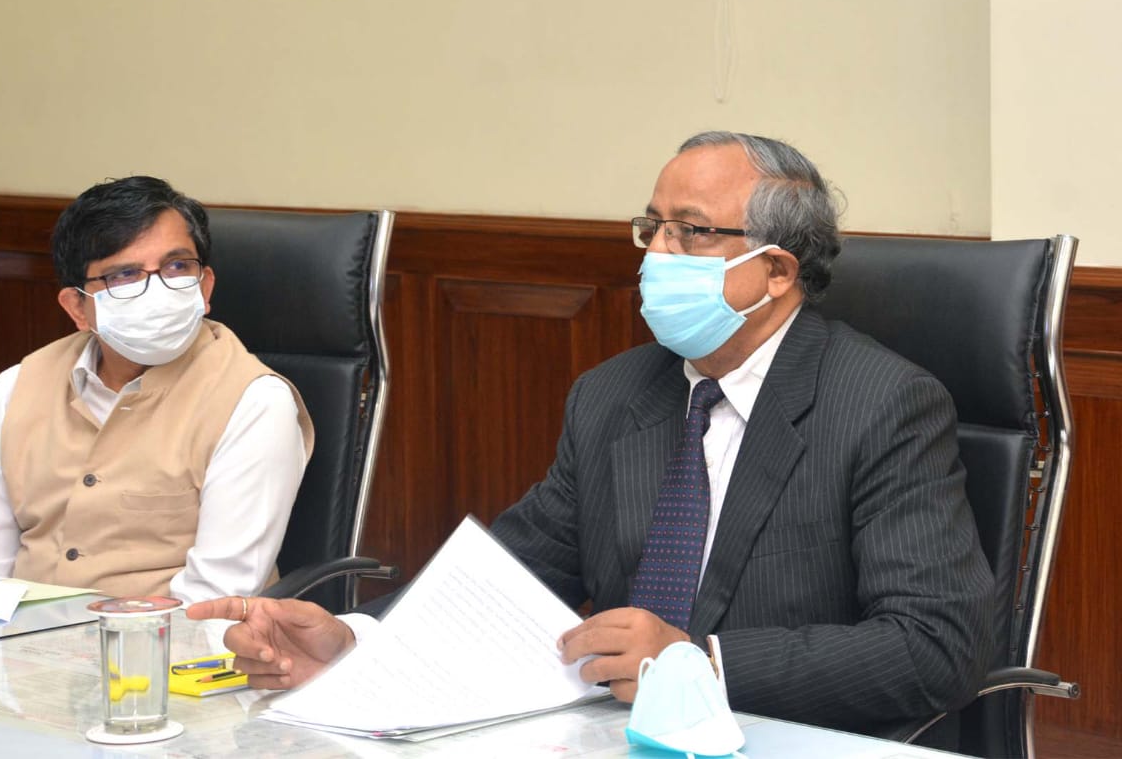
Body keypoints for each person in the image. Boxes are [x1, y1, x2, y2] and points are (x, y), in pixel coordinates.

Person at [189, 132, 995, 739]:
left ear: (777, 272)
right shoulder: (614, 395)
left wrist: (699, 662)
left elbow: (936, 645)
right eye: (653, 226)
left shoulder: (883, 405)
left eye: (691, 232)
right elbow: (509, 569)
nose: (657, 254)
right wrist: (358, 639)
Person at [0, 176, 314, 604]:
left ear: (205, 287)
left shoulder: (254, 401)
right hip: (17, 637)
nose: (156, 289)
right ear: (78, 307)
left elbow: (213, 601)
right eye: (124, 274)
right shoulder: (16, 388)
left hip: (167, 641)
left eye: (177, 267)